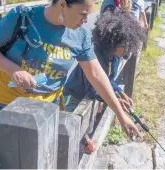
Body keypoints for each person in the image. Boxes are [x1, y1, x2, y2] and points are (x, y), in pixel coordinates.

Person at [0, 0, 141, 145]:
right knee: (7, 159)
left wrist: (121, 116)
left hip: (48, 109)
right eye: (83, 14)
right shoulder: (22, 18)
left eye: (88, 15)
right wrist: (13, 69)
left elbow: (96, 75)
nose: (85, 21)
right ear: (62, 4)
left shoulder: (80, 35)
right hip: (6, 104)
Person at [63, 9, 147, 152]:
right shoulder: (96, 57)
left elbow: (107, 80)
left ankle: (84, 140)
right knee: (70, 129)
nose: (126, 51)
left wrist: (119, 91)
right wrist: (113, 100)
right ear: (112, 42)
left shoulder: (114, 57)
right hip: (76, 97)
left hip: (90, 99)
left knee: (88, 124)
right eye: (124, 46)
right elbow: (94, 87)